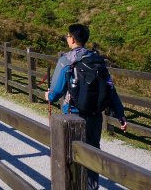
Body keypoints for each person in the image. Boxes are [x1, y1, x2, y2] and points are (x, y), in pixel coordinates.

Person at [47, 23, 126, 190]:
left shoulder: (66, 60)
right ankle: (91, 187)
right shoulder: (97, 60)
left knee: (69, 154)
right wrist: (120, 113)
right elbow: (110, 88)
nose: (67, 38)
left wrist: (48, 95)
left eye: (67, 36)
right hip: (95, 116)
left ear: (73, 39)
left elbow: (55, 92)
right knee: (92, 154)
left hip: (73, 115)